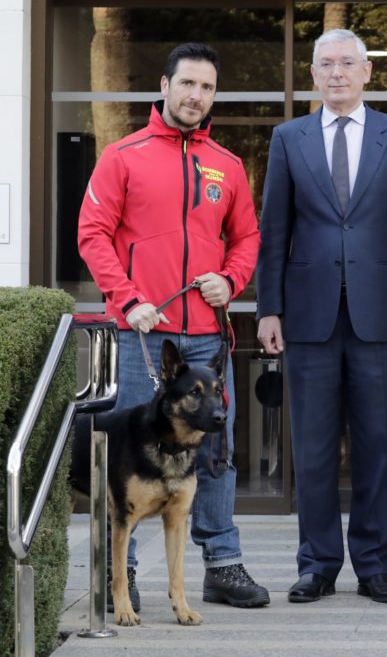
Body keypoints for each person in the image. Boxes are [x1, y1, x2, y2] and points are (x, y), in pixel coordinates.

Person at [78, 42, 270, 609]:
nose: (196, 96)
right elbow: (92, 232)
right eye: (187, 84)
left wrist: (231, 282)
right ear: (164, 86)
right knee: (132, 455)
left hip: (206, 336)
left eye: (207, 87)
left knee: (214, 455)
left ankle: (223, 565)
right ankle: (124, 572)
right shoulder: (123, 155)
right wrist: (127, 297)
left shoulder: (228, 166)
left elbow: (248, 238)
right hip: (144, 335)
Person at [255, 28, 387, 605]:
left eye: (347, 64)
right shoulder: (288, 138)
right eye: (326, 64)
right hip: (306, 318)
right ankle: (318, 565)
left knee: (377, 444)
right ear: (312, 74)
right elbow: (274, 231)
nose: (336, 73)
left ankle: (376, 566)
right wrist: (269, 308)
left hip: (379, 317)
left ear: (366, 73)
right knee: (311, 448)